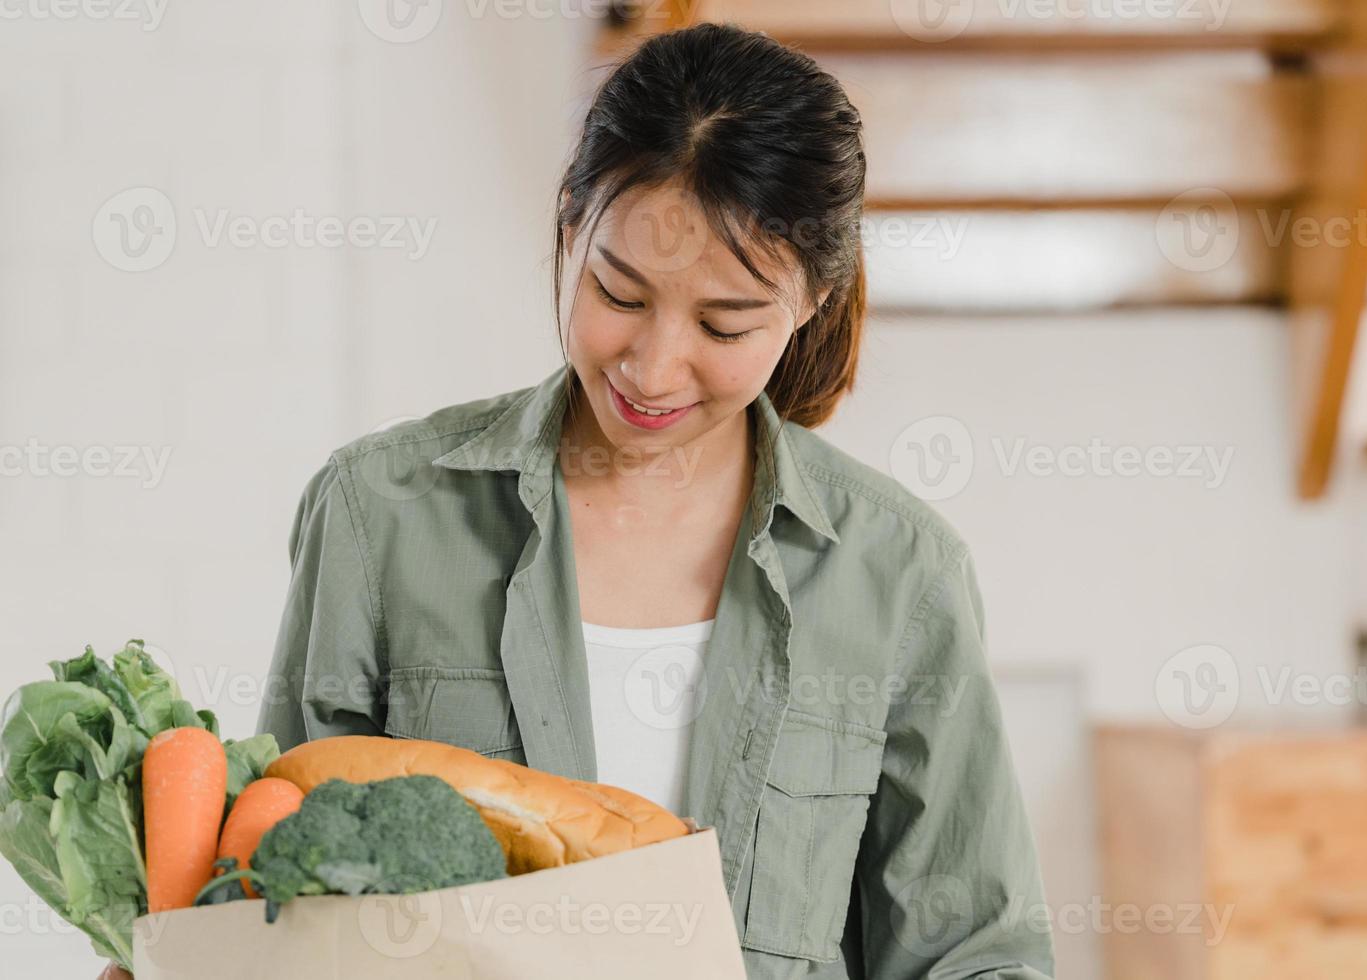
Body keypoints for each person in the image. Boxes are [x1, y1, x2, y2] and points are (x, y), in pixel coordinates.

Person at [252, 22, 1055, 980]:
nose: (653, 366)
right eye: (620, 294)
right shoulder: (377, 513)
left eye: (725, 322)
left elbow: (974, 956)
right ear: (568, 229)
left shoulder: (900, 572)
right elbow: (274, 881)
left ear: (809, 304)